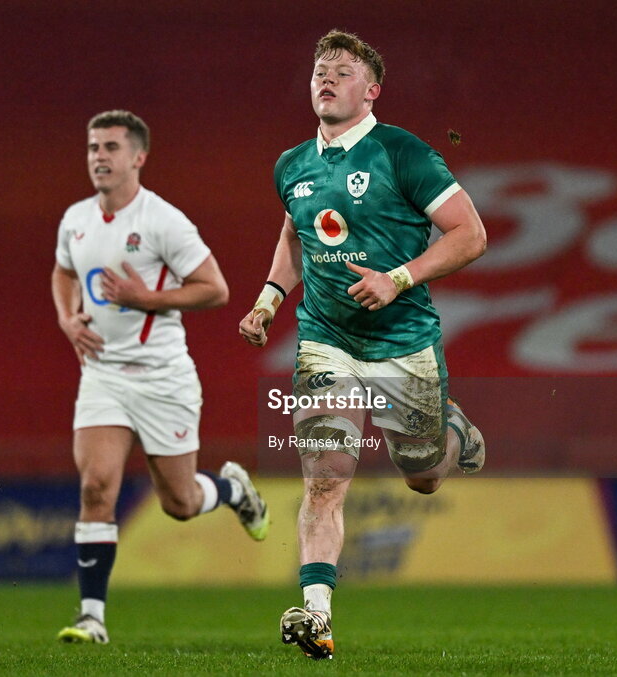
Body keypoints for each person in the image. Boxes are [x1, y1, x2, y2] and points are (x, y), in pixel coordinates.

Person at [238, 31, 488, 660]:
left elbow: (471, 233)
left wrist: (398, 277)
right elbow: (296, 237)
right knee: (326, 476)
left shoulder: (403, 153)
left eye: (342, 72)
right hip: (327, 340)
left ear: (371, 90)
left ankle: (458, 434)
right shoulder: (291, 165)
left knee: (424, 475)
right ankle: (317, 618)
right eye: (320, 71)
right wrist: (270, 300)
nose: (326, 80)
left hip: (404, 341)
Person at [52, 110, 270, 644]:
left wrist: (148, 298)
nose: (99, 157)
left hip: (162, 378)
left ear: (138, 157)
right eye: (92, 147)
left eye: (110, 147)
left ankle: (231, 490)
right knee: (95, 484)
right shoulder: (75, 219)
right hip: (103, 375)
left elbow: (214, 288)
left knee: (179, 504)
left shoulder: (163, 221)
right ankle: (92, 618)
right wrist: (66, 316)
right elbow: (62, 271)